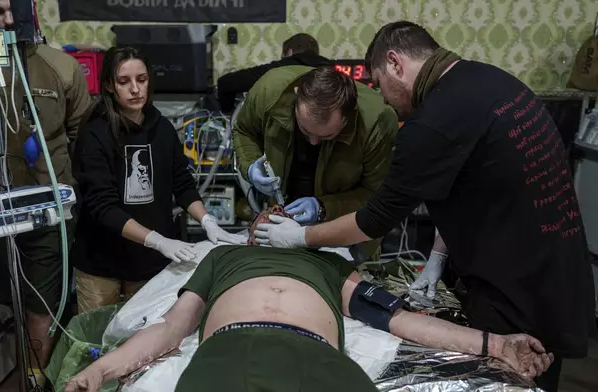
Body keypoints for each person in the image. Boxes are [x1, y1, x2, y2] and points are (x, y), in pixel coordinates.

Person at [252, 21, 596, 392]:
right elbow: (469, 187)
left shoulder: (432, 123)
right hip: (558, 273)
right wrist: (438, 257)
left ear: (395, 63)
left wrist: (302, 236)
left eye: (381, 83)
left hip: (517, 291)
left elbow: (375, 218)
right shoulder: (488, 82)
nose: (383, 98)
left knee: (517, 376)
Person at [64, 212, 553, 392]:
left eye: (286, 216)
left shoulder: (329, 266)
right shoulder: (224, 258)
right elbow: (170, 330)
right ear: (253, 230)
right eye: (266, 215)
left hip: (318, 359)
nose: (274, 216)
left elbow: (403, 322)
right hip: (233, 351)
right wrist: (103, 370)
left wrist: (496, 345)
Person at [0, 0, 92, 386]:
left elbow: (82, 133)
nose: (8, 19)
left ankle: (34, 377)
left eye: (15, 9)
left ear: (32, 10)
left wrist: (75, 192)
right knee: (2, 299)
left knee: (42, 303)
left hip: (49, 205)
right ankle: (14, 372)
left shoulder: (61, 66)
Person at [71, 47, 244, 314]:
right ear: (108, 86)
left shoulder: (161, 129)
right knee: (95, 345)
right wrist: (159, 240)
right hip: (101, 266)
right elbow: (103, 208)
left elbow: (183, 184)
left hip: (149, 265)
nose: (135, 89)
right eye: (123, 81)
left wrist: (208, 222)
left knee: (145, 342)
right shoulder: (95, 134)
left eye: (141, 79)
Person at [233, 65, 398, 258]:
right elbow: (244, 131)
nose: (313, 142)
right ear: (296, 96)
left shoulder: (378, 122)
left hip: (345, 230)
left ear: (350, 114)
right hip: (283, 221)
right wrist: (251, 165)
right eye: (305, 130)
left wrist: (324, 207)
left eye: (327, 135)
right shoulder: (270, 93)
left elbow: (376, 197)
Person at [217, 33, 332, 112]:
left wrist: (227, 111)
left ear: (290, 53)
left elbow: (225, 82)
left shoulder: (280, 67)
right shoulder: (334, 70)